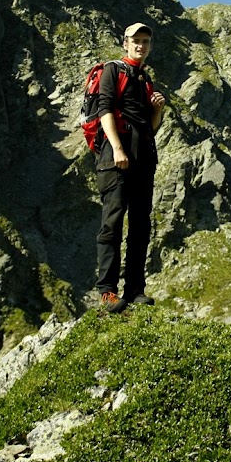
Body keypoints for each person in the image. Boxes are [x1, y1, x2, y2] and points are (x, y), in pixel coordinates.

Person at [94, 22, 166, 312]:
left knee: (140, 225)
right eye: (136, 40)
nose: (141, 45)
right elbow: (105, 109)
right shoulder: (114, 70)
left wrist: (157, 110)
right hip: (117, 157)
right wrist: (118, 149)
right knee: (112, 221)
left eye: (146, 41)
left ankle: (135, 288)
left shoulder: (144, 79)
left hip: (143, 159)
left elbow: (149, 127)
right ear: (125, 43)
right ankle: (107, 292)